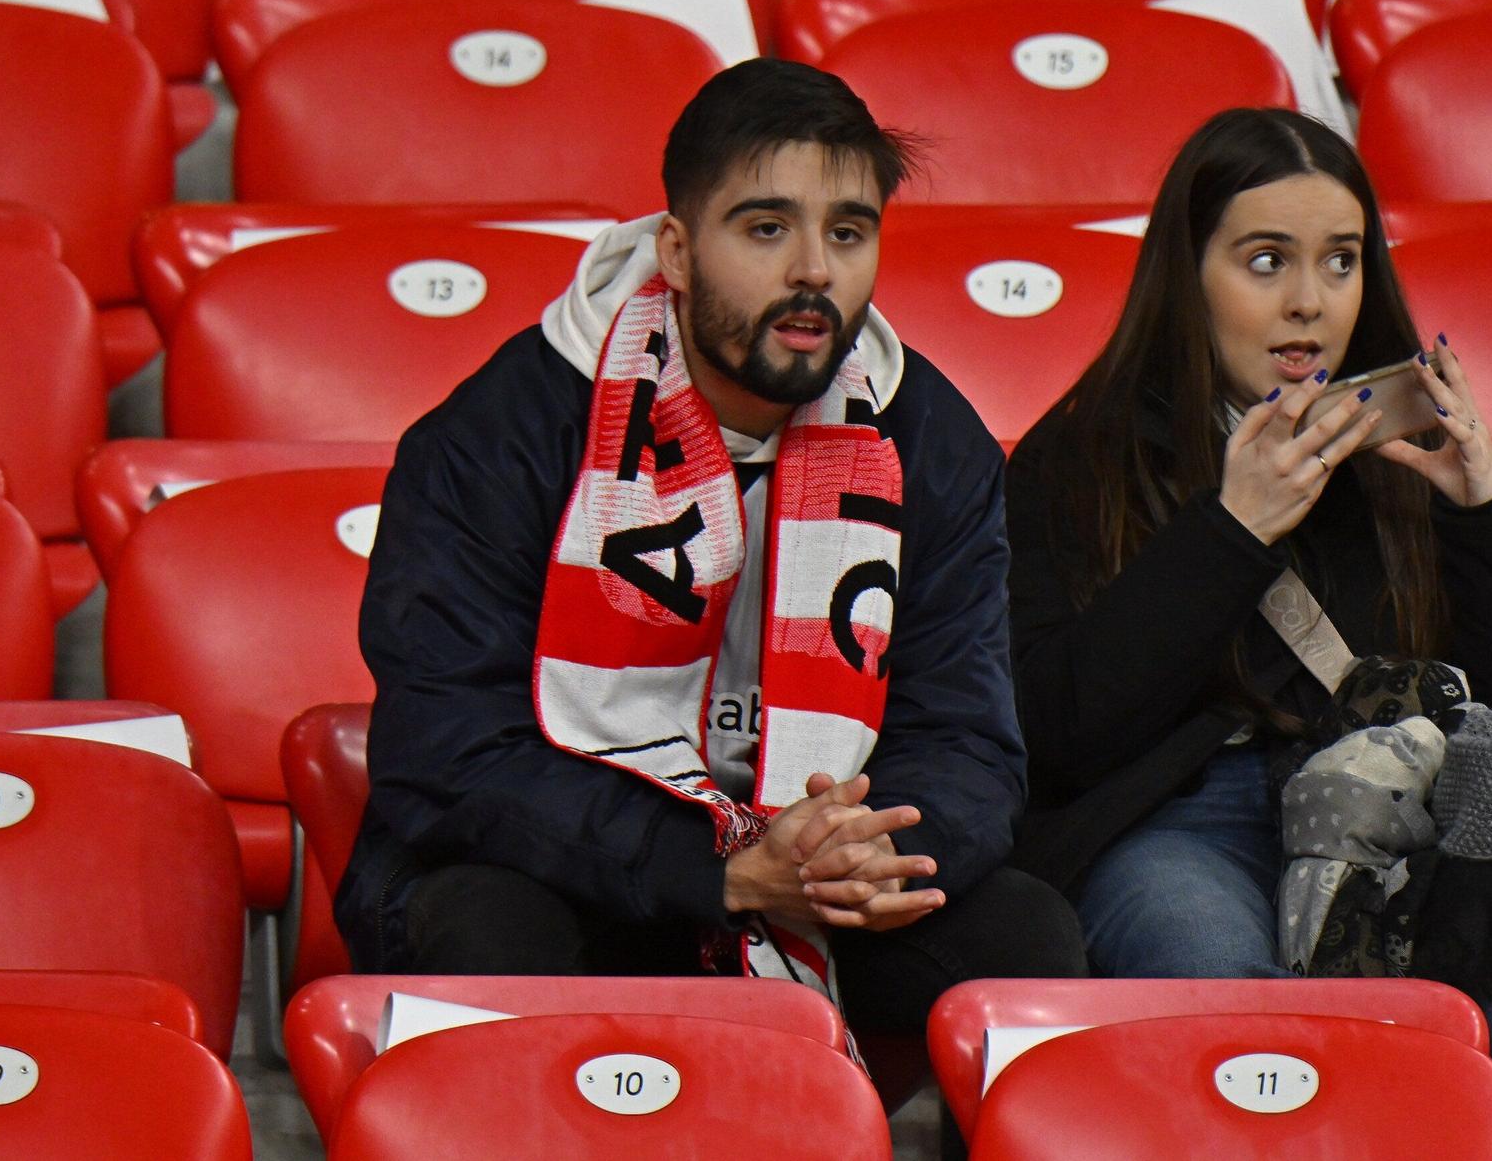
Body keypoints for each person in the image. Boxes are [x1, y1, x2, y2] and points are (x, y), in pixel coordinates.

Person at [336, 59, 1086, 1049]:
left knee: (1022, 930)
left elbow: (967, 738)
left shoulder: (926, 439)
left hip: (813, 871)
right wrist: (716, 867)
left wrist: (857, 852)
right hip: (565, 865)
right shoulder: (504, 431)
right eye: (766, 229)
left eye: (848, 233)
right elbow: (448, 752)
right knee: (487, 919)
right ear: (678, 253)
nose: (814, 268)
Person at [1002, 108, 1492, 1079]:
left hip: (1394, 811)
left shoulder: (1406, 462)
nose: (1307, 302)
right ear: (1186, 275)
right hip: (1173, 824)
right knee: (1221, 988)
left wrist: (1488, 513)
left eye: (1338, 261)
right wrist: (1229, 529)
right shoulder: (1078, 460)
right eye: (1264, 260)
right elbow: (1057, 731)